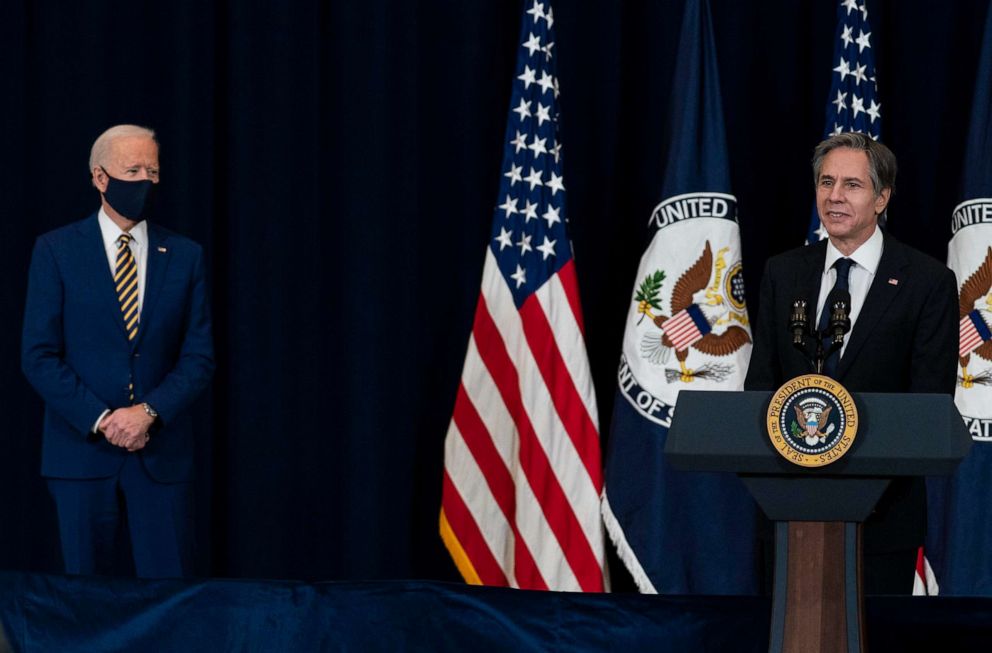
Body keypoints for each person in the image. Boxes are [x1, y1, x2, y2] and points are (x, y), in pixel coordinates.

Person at [744, 132, 958, 594]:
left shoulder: (927, 282)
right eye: (826, 182)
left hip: (881, 518)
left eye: (852, 185)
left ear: (882, 198)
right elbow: (760, 389)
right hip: (788, 512)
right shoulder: (783, 272)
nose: (834, 196)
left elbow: (930, 404)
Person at [21, 124, 214, 578]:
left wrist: (149, 412)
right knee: (86, 605)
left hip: (161, 460)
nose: (145, 180)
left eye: (153, 170)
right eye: (133, 169)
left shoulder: (185, 255)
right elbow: (38, 355)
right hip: (80, 458)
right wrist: (105, 420)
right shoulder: (56, 251)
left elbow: (199, 355)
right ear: (100, 177)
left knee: (168, 603)